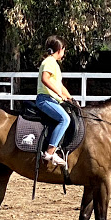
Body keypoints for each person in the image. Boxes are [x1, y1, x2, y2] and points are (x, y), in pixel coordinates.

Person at [36, 35, 73, 166]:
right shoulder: (49, 62)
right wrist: (59, 94)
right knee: (65, 119)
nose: (64, 53)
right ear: (59, 49)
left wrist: (70, 98)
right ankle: (50, 153)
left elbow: (59, 85)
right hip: (45, 99)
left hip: (52, 99)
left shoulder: (53, 64)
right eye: (64, 50)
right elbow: (45, 79)